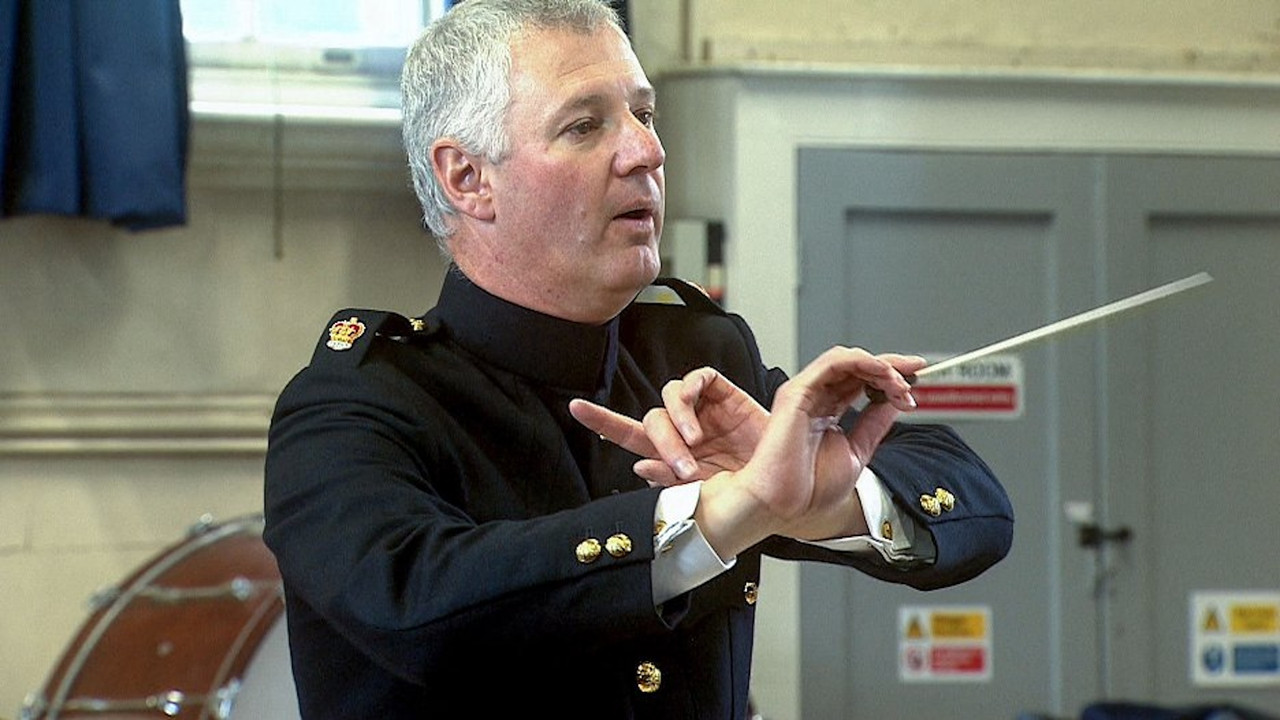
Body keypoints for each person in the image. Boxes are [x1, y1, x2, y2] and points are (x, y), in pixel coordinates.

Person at [262, 1, 1014, 718]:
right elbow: (419, 607)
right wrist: (716, 514)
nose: (647, 151)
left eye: (645, 115)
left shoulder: (694, 354)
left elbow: (974, 502)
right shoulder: (359, 403)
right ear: (468, 179)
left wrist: (826, 500)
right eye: (585, 125)